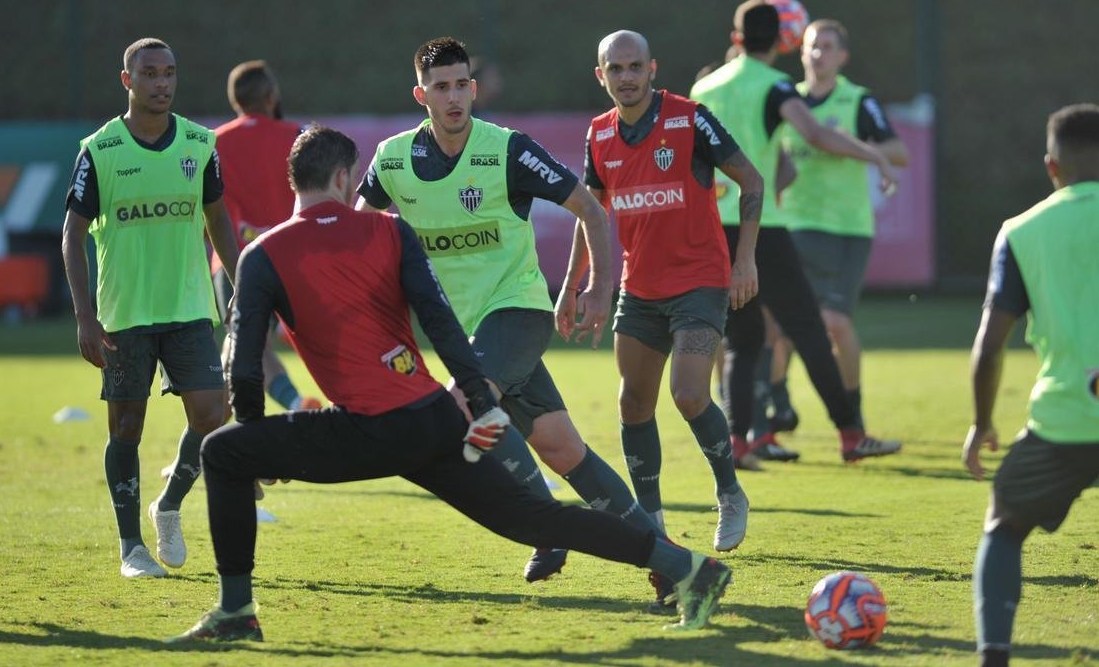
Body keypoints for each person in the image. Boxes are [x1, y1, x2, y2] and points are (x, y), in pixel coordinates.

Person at [167, 124, 732, 642]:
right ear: (344, 177)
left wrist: (255, 438)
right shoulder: (389, 231)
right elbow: (439, 320)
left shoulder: (263, 254)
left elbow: (244, 364)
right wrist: (481, 401)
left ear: (295, 180)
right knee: (534, 518)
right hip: (430, 417)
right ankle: (686, 568)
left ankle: (237, 611)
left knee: (222, 452)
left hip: (363, 428)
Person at [355, 37, 663, 592]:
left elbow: (591, 208)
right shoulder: (393, 160)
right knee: (563, 449)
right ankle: (667, 562)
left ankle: (546, 524)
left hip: (518, 312)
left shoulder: (507, 150)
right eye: (441, 87)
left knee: (460, 410)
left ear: (473, 88)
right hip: (465, 336)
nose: (454, 98)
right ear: (420, 94)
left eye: (461, 85)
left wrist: (597, 286)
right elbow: (359, 232)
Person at [557, 29, 761, 560]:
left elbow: (752, 181)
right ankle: (652, 520)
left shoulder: (690, 119)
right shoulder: (598, 135)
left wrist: (745, 260)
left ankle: (730, 493)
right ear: (600, 76)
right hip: (640, 289)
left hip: (701, 282)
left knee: (690, 394)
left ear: (653, 69)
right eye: (615, 69)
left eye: (634, 66)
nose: (626, 77)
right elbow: (591, 215)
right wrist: (575, 285)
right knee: (632, 403)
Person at [964, 104, 1099, 667]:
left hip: (1067, 418)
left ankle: (994, 655)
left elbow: (989, 346)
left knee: (1003, 526)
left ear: (1051, 167)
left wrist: (982, 423)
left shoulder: (1020, 232)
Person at [690, 0, 902, 464]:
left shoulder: (703, 86)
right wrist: (876, 156)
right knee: (807, 329)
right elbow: (816, 134)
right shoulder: (777, 86)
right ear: (784, 42)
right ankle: (851, 433)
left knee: (743, 341)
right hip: (761, 227)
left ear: (736, 38)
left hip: (711, 229)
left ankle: (738, 442)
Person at [61, 37, 240, 578]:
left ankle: (168, 505)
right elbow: (71, 235)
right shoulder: (100, 149)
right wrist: (85, 316)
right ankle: (130, 549)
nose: (162, 82)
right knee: (126, 430)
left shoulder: (199, 144)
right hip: (124, 314)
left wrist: (244, 290)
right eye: (150, 73)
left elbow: (219, 223)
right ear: (128, 80)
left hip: (188, 308)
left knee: (213, 413)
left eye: (169, 73)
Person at [771, 19, 910, 446]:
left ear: (843, 56)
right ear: (801, 52)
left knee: (834, 323)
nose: (819, 54)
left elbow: (898, 152)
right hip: (791, 225)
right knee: (776, 326)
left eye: (828, 47)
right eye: (813, 46)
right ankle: (777, 408)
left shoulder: (857, 100)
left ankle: (853, 413)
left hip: (845, 230)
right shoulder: (785, 100)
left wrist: (854, 145)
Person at [209, 59, 319, 413]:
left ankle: (292, 405)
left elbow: (207, 212)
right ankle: (207, 443)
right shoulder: (299, 138)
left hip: (233, 260)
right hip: (289, 260)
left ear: (234, 100)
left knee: (245, 346)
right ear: (271, 95)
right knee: (248, 347)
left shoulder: (213, 143)